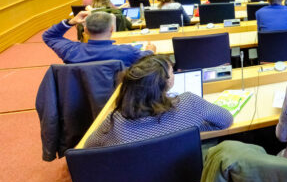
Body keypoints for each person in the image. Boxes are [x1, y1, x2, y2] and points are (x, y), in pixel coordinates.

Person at [84, 55, 232, 147]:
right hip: (186, 180)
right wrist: (197, 127)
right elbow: (225, 120)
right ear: (166, 83)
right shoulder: (190, 103)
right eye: (171, 72)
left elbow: (89, 147)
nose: (174, 74)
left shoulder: (115, 121)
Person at [43, 11, 155, 65]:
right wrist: (150, 50)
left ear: (85, 30)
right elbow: (147, 59)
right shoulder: (127, 52)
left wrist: (71, 21)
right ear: (112, 29)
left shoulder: (70, 51)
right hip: (118, 101)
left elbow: (49, 36)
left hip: (79, 101)